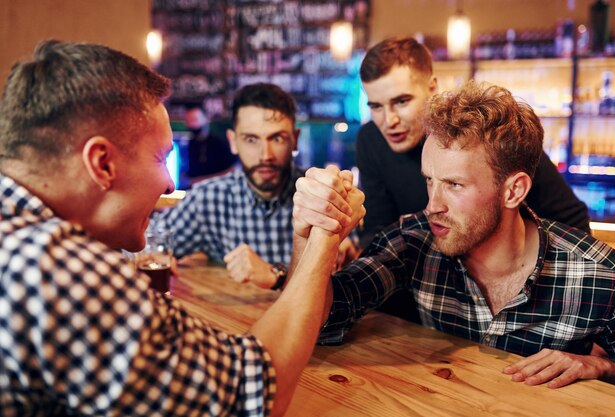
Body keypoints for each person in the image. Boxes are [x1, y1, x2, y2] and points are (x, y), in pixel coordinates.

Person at [0, 40, 364, 415]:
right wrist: (327, 231)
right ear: (102, 163)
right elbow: (250, 393)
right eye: (162, 157)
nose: (169, 184)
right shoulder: (58, 268)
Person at [291, 81, 615, 389]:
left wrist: (600, 366)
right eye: (429, 181)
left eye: (454, 185)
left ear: (513, 191)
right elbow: (314, 324)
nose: (433, 204)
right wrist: (310, 234)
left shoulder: (603, 277)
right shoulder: (414, 241)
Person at [355, 36, 591, 321]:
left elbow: (571, 221)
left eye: (401, 101)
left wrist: (562, 315)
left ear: (432, 87)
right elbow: (378, 228)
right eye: (376, 106)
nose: (388, 120)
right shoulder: (370, 140)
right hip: (425, 300)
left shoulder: (487, 139)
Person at [154, 83, 358, 290]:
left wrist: (276, 275)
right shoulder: (209, 198)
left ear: (295, 140)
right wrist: (158, 255)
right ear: (233, 141)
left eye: (277, 138)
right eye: (251, 139)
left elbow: (348, 277)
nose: (265, 155)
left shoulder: (320, 197)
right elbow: (149, 241)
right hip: (234, 319)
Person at [183, 105, 237, 181]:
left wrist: (202, 180)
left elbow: (234, 169)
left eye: (194, 120)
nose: (191, 124)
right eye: (187, 121)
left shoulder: (219, 142)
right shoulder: (191, 144)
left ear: (205, 119)